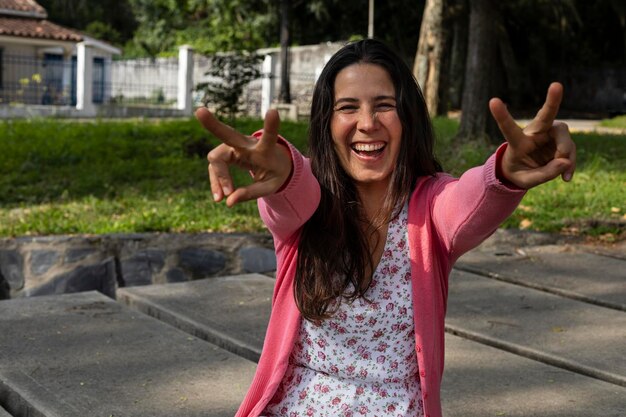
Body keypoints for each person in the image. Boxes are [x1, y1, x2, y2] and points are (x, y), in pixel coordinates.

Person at [195, 39, 576, 417]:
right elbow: (291, 186)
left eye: (384, 106)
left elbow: (468, 203)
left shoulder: (430, 206)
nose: (367, 123)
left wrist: (506, 171)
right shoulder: (309, 197)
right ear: (326, 123)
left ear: (407, 116)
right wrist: (278, 168)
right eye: (348, 108)